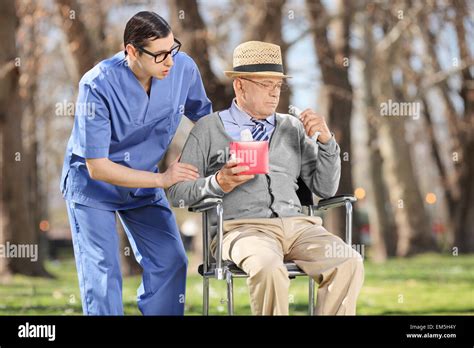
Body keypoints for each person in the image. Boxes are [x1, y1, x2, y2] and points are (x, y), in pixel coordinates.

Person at [168, 41, 364, 315]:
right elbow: (177, 191)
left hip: (299, 228)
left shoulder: (292, 127)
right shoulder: (209, 129)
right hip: (241, 230)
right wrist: (218, 183)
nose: (274, 94)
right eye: (265, 84)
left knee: (348, 261)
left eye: (278, 85)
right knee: (267, 266)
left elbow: (325, 187)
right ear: (240, 85)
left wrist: (327, 142)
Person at [59, 11, 212, 315]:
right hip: (93, 188)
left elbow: (205, 119)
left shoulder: (183, 69)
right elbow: (97, 167)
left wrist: (203, 153)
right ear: (131, 51)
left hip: (143, 182)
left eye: (173, 49)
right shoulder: (97, 85)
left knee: (172, 259)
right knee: (103, 275)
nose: (170, 61)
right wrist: (162, 180)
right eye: (160, 55)